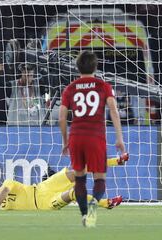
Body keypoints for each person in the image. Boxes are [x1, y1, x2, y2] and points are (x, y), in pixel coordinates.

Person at [59, 51, 126, 227]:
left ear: (77, 67)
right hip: (96, 137)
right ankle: (93, 209)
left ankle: (83, 215)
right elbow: (113, 111)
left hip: (76, 136)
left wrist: (65, 140)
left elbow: (61, 117)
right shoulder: (104, 86)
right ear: (96, 66)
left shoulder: (70, 88)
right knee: (100, 179)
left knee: (79, 178)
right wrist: (119, 138)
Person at [0, 156, 128, 212]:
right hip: (45, 204)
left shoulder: (6, 184)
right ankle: (106, 204)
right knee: (72, 194)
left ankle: (115, 161)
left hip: (44, 187)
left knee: (76, 171)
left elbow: (6, 190)